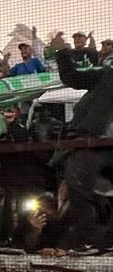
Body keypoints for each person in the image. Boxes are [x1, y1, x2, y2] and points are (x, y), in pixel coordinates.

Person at [51, 32, 113, 249]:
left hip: (93, 145)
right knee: (90, 194)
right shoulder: (105, 78)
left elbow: (73, 77)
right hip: (94, 144)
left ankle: (92, 242)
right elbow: (75, 78)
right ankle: (96, 242)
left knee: (81, 192)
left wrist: (61, 51)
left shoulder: (107, 75)